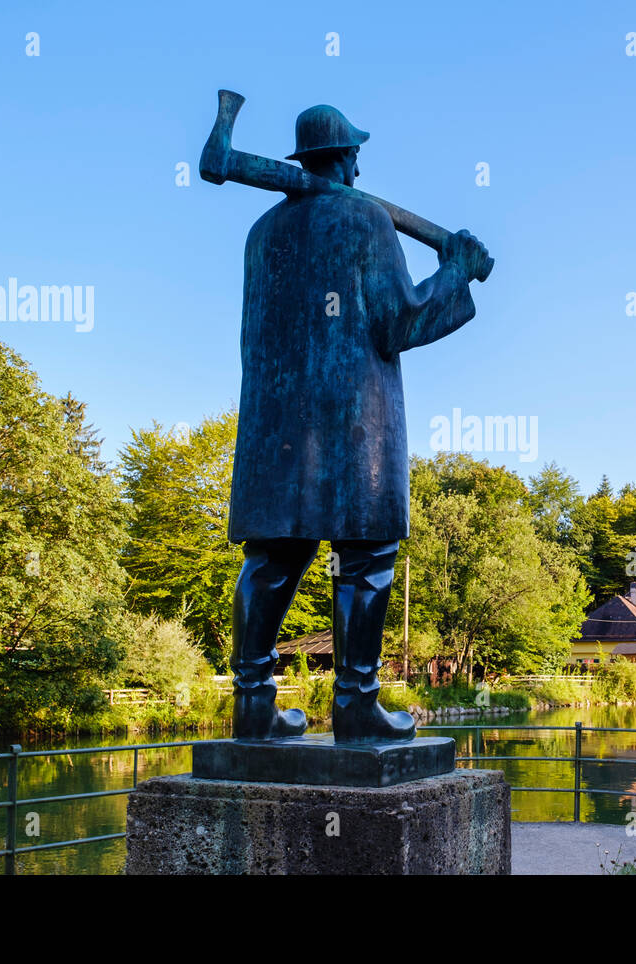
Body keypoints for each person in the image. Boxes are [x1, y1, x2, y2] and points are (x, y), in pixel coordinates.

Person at [227, 104, 490, 742]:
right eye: (356, 154)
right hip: (354, 422)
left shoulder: (262, 232)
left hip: (275, 421)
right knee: (366, 556)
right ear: (347, 158)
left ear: (301, 160)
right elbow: (398, 322)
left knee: (273, 556)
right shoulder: (365, 218)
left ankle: (252, 702)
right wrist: (456, 267)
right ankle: (355, 704)